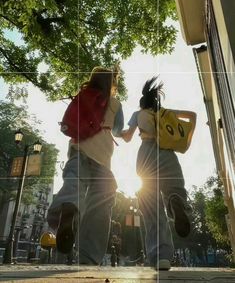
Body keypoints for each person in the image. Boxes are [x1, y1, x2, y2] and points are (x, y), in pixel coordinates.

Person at [47, 66, 124, 265]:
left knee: (74, 182)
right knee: (101, 203)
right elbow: (117, 130)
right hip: (103, 156)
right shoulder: (115, 104)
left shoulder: (82, 95)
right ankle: (88, 257)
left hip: (78, 149)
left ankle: (69, 209)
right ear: (111, 84)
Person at [121, 76, 197, 271]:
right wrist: (186, 139)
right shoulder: (163, 112)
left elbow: (127, 137)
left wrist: (116, 132)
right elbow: (192, 116)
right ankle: (174, 201)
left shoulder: (138, 114)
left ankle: (161, 256)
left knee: (151, 207)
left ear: (142, 103)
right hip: (167, 152)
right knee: (175, 189)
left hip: (145, 154)